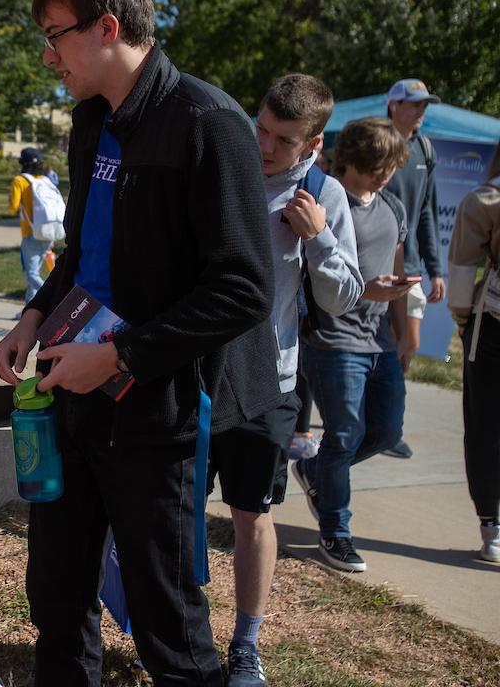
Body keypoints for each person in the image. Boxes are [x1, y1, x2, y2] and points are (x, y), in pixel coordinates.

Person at [0, 0, 278, 686]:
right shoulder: (91, 122)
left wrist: (119, 356)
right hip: (69, 394)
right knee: (56, 600)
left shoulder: (207, 122)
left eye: (56, 36)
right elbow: (83, 251)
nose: (49, 56)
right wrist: (34, 313)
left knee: (167, 626)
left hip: (157, 416)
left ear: (109, 27)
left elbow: (243, 288)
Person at [208, 74, 362, 685]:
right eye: (261, 129)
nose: (265, 145)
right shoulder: (223, 168)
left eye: (282, 139)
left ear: (314, 144)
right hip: (193, 371)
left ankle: (246, 645)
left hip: (268, 383)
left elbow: (343, 297)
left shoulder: (323, 195)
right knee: (178, 510)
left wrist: (318, 236)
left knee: (251, 514)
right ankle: (176, 628)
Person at [291, 118, 416, 573]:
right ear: (354, 159)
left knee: (385, 432)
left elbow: (396, 267)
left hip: (378, 340)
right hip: (332, 337)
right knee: (342, 436)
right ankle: (336, 533)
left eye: (390, 166)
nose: (384, 175)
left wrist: (406, 333)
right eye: (375, 166)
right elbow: (313, 276)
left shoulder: (393, 207)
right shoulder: (325, 199)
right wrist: (367, 291)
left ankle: (315, 472)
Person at [382, 79, 444, 459]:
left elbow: (427, 213)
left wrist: (435, 268)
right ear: (394, 106)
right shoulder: (376, 142)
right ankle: (381, 424)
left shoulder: (424, 148)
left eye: (425, 106)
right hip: (374, 264)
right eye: (415, 104)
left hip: (413, 264)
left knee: (408, 344)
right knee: (377, 344)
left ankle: (388, 424)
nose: (421, 112)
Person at [446, 141, 500, 563]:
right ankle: (492, 525)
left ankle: (492, 525)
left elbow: (464, 266)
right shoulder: (488, 199)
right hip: (492, 323)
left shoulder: (487, 198)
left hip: (491, 323)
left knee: (485, 424)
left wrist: (462, 316)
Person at [7, 147, 58, 303]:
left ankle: (54, 300)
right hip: (48, 231)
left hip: (31, 233)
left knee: (31, 274)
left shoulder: (19, 181)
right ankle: (28, 311)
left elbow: (12, 209)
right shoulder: (44, 180)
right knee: (34, 272)